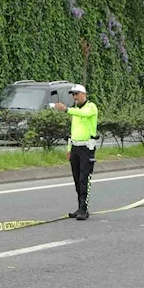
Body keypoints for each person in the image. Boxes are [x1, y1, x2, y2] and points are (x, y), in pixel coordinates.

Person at [54, 84, 98, 221]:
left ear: (83, 94)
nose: (74, 97)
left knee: (84, 178)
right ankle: (80, 207)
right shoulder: (75, 110)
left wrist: (66, 109)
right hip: (75, 147)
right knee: (77, 178)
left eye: (76, 94)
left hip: (87, 148)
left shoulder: (91, 107)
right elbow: (73, 131)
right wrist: (69, 148)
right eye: (73, 95)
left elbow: (84, 113)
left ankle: (84, 209)